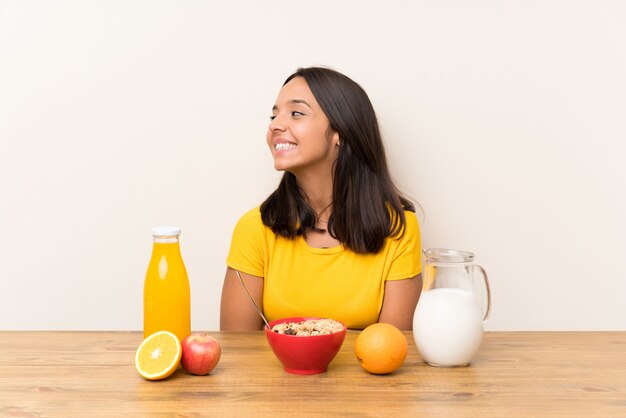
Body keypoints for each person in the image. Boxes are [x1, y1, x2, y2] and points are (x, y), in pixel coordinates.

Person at [220, 67, 422, 331]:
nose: (275, 125)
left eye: (296, 113)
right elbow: (240, 350)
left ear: (340, 131)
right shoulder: (253, 230)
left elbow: (390, 350)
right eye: (274, 114)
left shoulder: (397, 229)